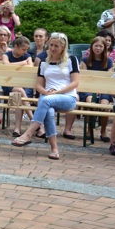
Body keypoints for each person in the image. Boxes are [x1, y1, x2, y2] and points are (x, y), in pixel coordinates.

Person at [12, 32, 79, 161]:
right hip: (48, 96)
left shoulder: (71, 60)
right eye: (51, 45)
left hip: (67, 97)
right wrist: (47, 93)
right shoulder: (43, 62)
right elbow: (39, 86)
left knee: (46, 101)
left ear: (63, 47)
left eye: (56, 46)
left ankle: (28, 134)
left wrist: (57, 92)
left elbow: (75, 83)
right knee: (48, 110)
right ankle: (54, 149)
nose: (52, 48)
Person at [62, 35, 113, 141]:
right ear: (91, 47)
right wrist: (93, 89)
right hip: (88, 89)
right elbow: (84, 78)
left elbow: (108, 80)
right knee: (90, 102)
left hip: (103, 89)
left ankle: (103, 131)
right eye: (96, 46)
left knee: (105, 106)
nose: (98, 48)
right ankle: (89, 130)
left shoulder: (108, 61)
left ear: (104, 48)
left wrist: (99, 90)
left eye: (101, 46)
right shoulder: (85, 60)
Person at [2, 35, 34, 136]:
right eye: (23, 49)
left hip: (24, 84)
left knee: (18, 94)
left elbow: (30, 67)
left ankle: (17, 129)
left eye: (26, 49)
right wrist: (22, 63)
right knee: (19, 91)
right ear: (16, 46)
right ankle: (34, 120)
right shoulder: (6, 55)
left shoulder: (27, 56)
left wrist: (19, 64)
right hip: (9, 85)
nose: (25, 51)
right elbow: (6, 65)